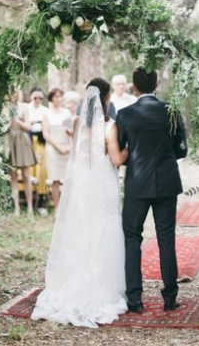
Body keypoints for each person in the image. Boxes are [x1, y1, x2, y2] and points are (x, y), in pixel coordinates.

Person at [31, 78, 128, 328]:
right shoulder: (111, 126)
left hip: (83, 185)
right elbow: (116, 160)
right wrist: (132, 149)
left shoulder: (76, 122)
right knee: (106, 227)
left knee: (84, 228)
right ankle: (104, 287)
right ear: (106, 99)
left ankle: (78, 279)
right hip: (104, 183)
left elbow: (78, 157)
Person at [116, 67, 187, 313]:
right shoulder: (172, 110)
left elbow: (121, 152)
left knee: (132, 237)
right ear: (156, 83)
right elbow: (182, 150)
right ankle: (170, 298)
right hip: (167, 181)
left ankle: (134, 298)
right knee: (166, 238)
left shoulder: (124, 115)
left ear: (133, 87)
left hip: (137, 182)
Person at [6, 90, 36, 217]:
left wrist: (16, 120)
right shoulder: (4, 107)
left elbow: (28, 127)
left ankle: (29, 206)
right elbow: (2, 127)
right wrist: (8, 121)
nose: (13, 94)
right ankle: (16, 207)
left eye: (15, 92)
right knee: (12, 176)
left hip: (22, 140)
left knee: (25, 175)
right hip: (9, 141)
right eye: (11, 92)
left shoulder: (24, 106)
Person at [42, 88, 73, 213]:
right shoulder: (47, 114)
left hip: (66, 148)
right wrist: (58, 146)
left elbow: (71, 131)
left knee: (68, 179)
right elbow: (46, 134)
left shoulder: (66, 113)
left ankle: (68, 208)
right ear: (51, 99)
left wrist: (70, 145)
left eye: (61, 97)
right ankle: (57, 208)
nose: (59, 99)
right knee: (55, 179)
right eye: (56, 97)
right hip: (53, 149)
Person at [26, 87, 49, 216]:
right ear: (30, 97)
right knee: (29, 169)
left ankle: (41, 197)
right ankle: (29, 199)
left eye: (40, 98)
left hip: (41, 142)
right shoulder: (26, 109)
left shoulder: (45, 110)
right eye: (35, 97)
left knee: (41, 169)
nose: (38, 100)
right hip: (28, 141)